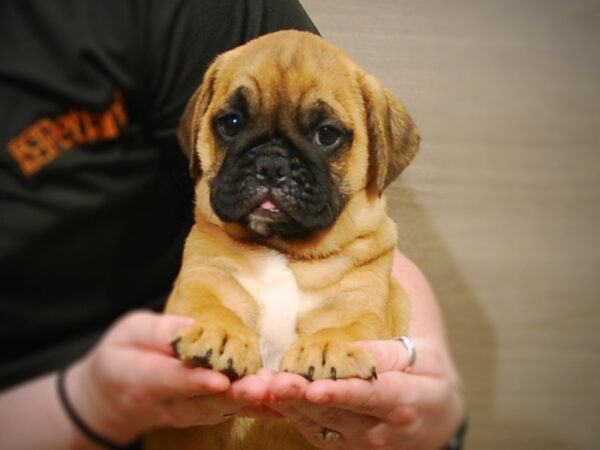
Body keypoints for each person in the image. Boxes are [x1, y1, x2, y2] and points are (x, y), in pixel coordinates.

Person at [0, 1, 465, 449]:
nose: (271, 167)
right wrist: (86, 402)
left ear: (378, 153)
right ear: (199, 128)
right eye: (234, 123)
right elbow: (197, 303)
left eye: (326, 135)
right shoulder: (210, 242)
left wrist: (437, 417)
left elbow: (375, 310)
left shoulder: (191, 16)